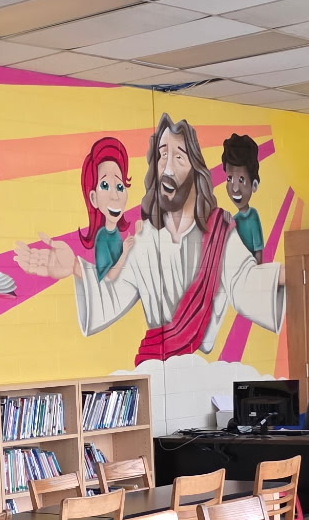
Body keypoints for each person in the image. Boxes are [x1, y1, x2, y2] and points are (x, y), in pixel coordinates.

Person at [14, 114, 282, 360]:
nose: (167, 168)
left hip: (198, 367)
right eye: (162, 156)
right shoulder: (145, 241)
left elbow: (247, 283)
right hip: (154, 365)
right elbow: (113, 298)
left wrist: (298, 274)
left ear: (196, 171)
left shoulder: (220, 232)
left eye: (178, 157)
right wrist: (75, 267)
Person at [76, 135, 133, 281]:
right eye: (105, 185)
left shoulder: (115, 234)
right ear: (93, 198)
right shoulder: (102, 237)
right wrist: (125, 252)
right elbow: (109, 277)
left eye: (120, 187)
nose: (115, 196)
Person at [221, 131, 265, 258]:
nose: (235, 188)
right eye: (229, 179)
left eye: (241, 180)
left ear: (254, 185)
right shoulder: (233, 220)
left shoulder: (253, 216)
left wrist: (256, 273)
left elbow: (258, 251)